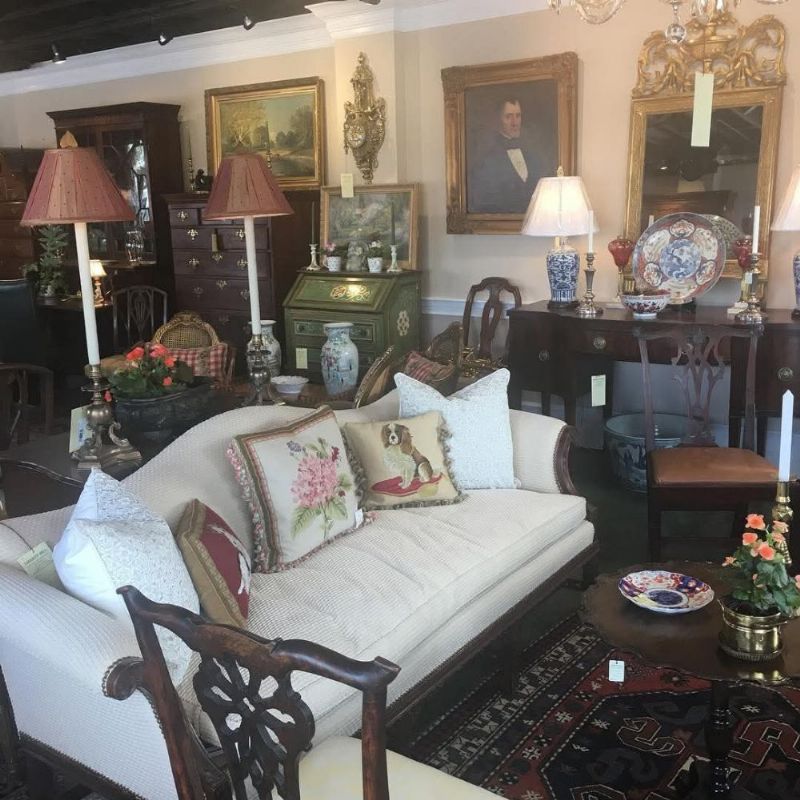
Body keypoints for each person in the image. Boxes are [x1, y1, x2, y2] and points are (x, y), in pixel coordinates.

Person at [468, 96, 546, 214]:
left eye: (518, 116)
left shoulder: (532, 156)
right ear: (498, 119)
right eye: (508, 117)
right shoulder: (488, 161)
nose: (515, 123)